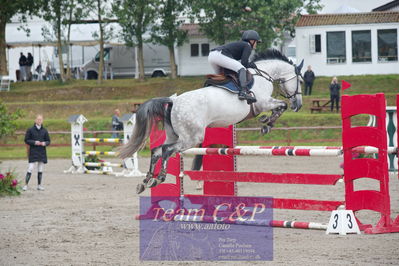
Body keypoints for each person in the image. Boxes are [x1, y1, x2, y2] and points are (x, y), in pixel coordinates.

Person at [208, 30, 261, 104]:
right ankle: (243, 92)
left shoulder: (242, 44)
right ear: (252, 41)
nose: (256, 44)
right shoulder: (247, 46)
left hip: (212, 56)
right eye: (256, 42)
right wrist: (252, 65)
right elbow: (244, 63)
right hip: (219, 55)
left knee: (222, 78)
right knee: (242, 69)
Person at [23, 114, 51, 191]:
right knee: (30, 168)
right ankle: (25, 185)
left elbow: (48, 141)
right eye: (38, 119)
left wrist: (44, 143)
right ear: (35, 120)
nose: (39, 121)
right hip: (33, 152)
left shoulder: (45, 130)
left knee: (40, 169)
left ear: (42, 121)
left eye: (40, 119)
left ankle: (39, 185)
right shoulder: (30, 130)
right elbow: (26, 140)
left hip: (42, 152)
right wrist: (35, 142)